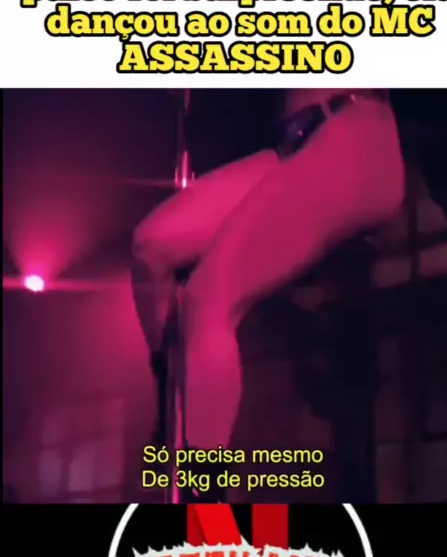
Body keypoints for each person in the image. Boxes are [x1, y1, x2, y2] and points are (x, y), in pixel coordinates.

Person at [132, 87, 405, 452]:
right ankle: (175, 394)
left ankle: (205, 478)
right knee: (151, 247)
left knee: (208, 295)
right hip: (296, 145)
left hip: (353, 134)